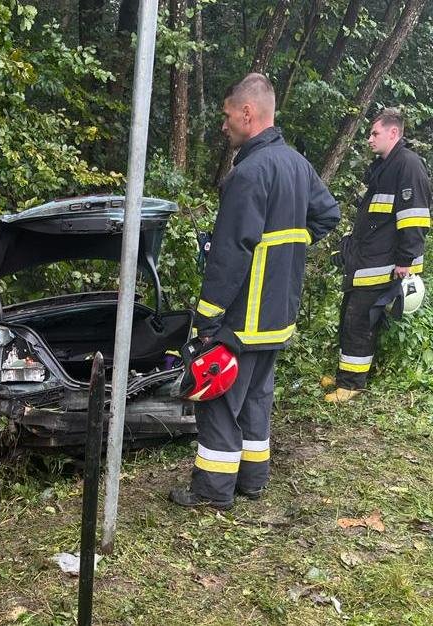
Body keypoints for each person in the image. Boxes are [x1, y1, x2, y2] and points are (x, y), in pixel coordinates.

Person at [169, 73, 340, 509]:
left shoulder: (248, 172)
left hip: (244, 316)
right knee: (257, 399)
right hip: (279, 312)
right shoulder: (297, 164)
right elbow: (327, 216)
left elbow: (231, 252)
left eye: (227, 116)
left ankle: (212, 491)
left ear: (248, 113)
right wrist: (289, 251)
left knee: (221, 400)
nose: (224, 125)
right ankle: (252, 480)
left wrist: (207, 316)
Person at [323, 108, 430, 402]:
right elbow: (373, 219)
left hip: (383, 265)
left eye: (375, 133)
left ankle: (352, 385)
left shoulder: (408, 165)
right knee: (349, 316)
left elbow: (415, 218)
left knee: (359, 321)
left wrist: (406, 262)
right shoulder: (385, 166)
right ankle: (347, 376)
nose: (369, 139)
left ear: (393, 133)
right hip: (367, 260)